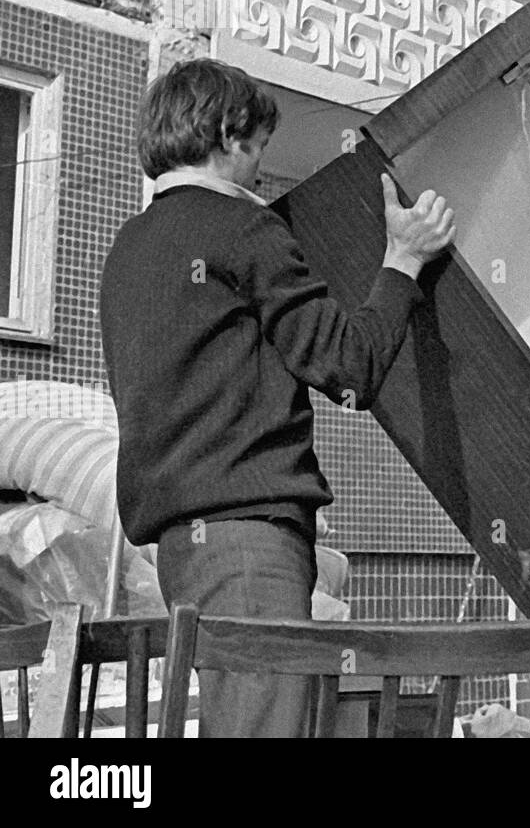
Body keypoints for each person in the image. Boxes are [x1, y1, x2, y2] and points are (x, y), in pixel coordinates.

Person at [100, 59, 455, 737]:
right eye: (259, 146)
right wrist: (403, 261)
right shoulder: (243, 228)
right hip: (246, 543)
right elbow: (347, 365)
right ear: (230, 134)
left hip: (182, 547)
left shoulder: (129, 247)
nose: (261, 169)